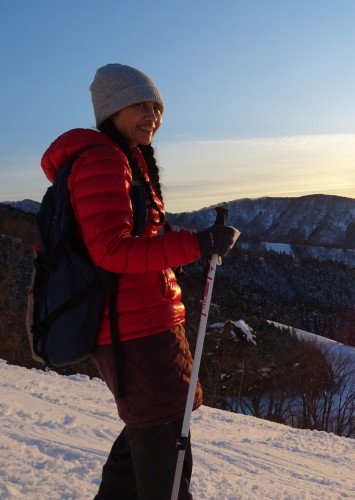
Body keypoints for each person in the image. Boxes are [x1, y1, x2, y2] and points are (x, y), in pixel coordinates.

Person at [40, 63, 240, 499]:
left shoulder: (123, 159)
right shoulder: (103, 160)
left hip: (142, 322)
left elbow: (131, 245)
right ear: (111, 108)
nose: (153, 115)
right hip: (135, 330)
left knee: (152, 432)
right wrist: (196, 243)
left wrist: (178, 258)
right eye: (140, 105)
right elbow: (111, 250)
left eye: (157, 107)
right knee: (164, 451)